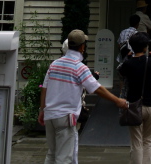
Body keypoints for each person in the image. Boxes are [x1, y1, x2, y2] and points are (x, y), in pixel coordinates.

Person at [38, 29, 129, 164]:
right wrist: (117, 100)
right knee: (64, 158)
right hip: (65, 117)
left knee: (51, 154)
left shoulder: (54, 64)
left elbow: (45, 88)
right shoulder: (79, 67)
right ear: (82, 47)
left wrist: (42, 110)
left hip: (50, 114)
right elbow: (96, 88)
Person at [118, 32, 151, 164]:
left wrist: (127, 57)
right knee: (148, 140)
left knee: (136, 142)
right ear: (144, 47)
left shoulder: (129, 64)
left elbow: (121, 74)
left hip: (134, 105)